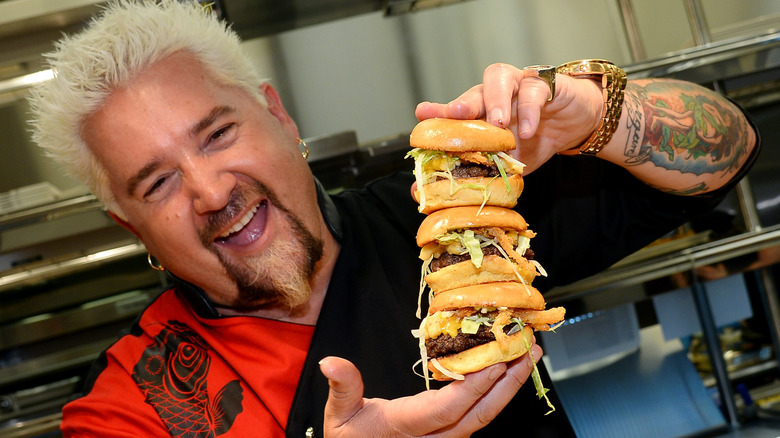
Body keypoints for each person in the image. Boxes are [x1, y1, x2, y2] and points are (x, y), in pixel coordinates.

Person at [28, 1, 759, 437]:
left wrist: (602, 115)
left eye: (218, 134)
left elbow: (728, 148)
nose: (210, 191)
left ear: (281, 118)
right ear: (134, 232)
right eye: (156, 182)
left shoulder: (456, 220)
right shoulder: (132, 404)